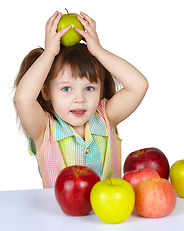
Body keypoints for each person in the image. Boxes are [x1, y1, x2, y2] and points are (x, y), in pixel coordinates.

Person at [14, 11, 148, 188]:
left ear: (100, 90)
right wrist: (49, 54)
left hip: (108, 212)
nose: (79, 99)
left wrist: (99, 51)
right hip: (59, 215)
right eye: (66, 88)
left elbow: (139, 85)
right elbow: (23, 98)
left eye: (89, 88)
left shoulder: (106, 116)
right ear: (46, 92)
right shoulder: (44, 129)